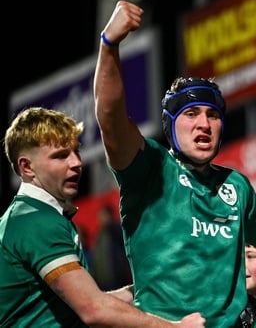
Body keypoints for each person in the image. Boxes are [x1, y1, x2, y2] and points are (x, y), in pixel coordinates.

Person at [94, 0, 256, 327]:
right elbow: (110, 118)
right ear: (170, 126)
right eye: (191, 114)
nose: (204, 124)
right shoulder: (150, 168)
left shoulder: (236, 186)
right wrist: (109, 45)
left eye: (212, 115)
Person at [0, 107, 205, 327]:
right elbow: (94, 309)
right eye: (60, 156)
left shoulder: (29, 216)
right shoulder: (35, 221)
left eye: (75, 151)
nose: (76, 163)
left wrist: (150, 287)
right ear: (27, 167)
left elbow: (86, 303)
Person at [91, 203, 132, 291]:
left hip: (116, 277)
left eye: (103, 215)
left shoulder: (115, 230)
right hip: (102, 280)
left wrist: (111, 224)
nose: (100, 218)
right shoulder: (100, 234)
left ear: (109, 215)